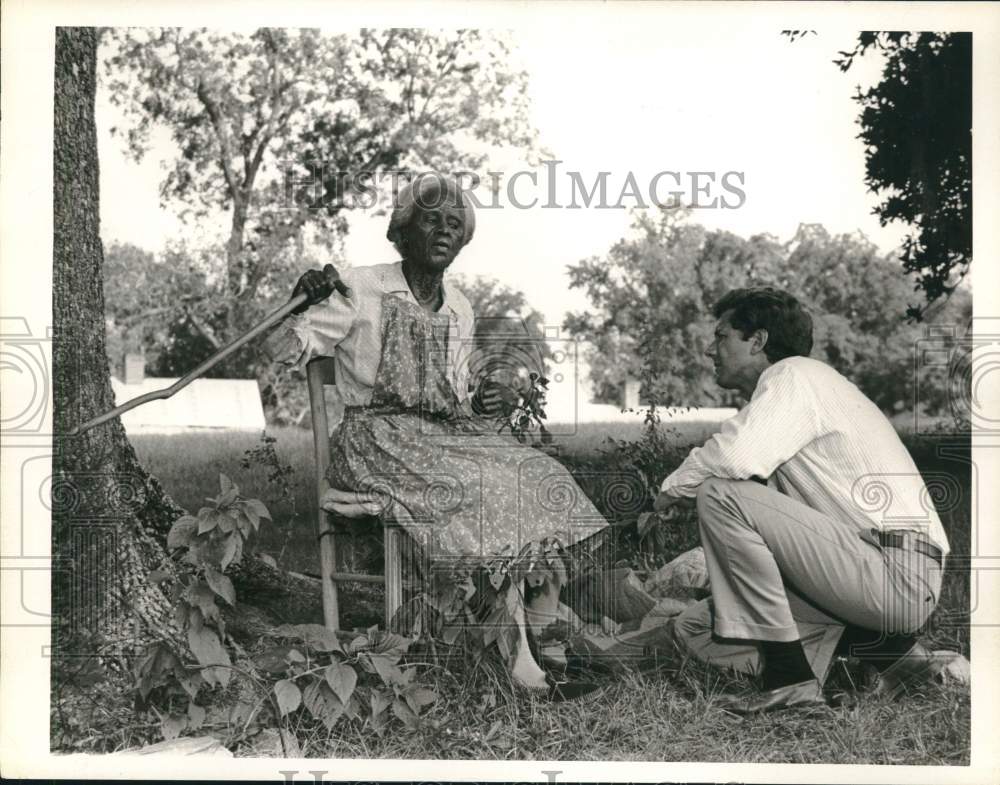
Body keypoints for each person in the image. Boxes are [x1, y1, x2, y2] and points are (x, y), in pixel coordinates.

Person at [267, 173, 607, 699]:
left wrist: (484, 400)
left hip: (438, 437)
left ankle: (545, 638)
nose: (444, 231)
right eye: (431, 219)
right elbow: (281, 351)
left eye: (455, 224)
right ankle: (519, 662)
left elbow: (451, 393)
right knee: (479, 486)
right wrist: (298, 301)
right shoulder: (358, 287)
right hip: (376, 440)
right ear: (402, 231)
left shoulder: (460, 307)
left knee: (540, 473)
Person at [652, 287, 962, 713]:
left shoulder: (795, 375)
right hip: (865, 573)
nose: (710, 349)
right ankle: (896, 660)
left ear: (758, 340)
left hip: (895, 572)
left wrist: (667, 494)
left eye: (721, 336)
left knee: (721, 494)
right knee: (698, 627)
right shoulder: (795, 395)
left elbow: (732, 457)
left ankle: (791, 680)